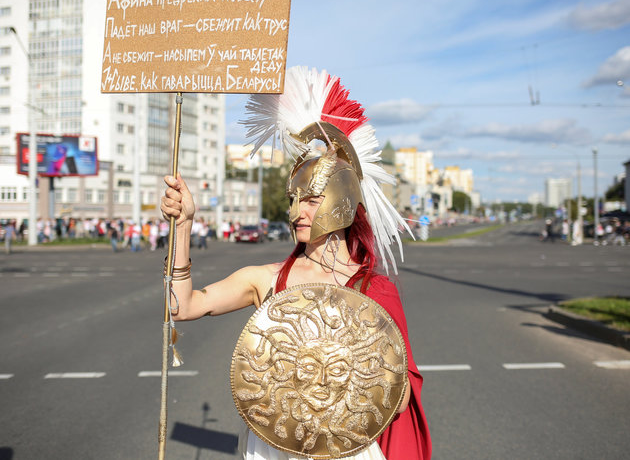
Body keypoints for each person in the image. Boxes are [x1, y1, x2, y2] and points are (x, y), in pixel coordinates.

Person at [160, 67, 430, 460]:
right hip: (275, 448)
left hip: (348, 450)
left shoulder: (373, 289)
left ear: (342, 201)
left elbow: (399, 400)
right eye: (293, 199)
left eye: (311, 199)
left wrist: (369, 360)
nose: (297, 211)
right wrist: (183, 226)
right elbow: (180, 308)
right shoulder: (264, 278)